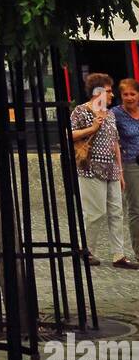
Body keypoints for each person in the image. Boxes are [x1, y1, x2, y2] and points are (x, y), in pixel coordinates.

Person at [71, 73, 137, 269]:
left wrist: (120, 170)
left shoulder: (109, 114)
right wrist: (91, 128)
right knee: (95, 212)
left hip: (111, 169)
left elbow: (115, 142)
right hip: (90, 168)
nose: (112, 95)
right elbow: (70, 133)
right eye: (108, 91)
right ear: (97, 92)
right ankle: (87, 250)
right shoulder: (81, 111)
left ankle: (119, 255)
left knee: (116, 212)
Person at [112, 77, 139, 265]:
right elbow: (112, 140)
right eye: (125, 94)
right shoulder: (116, 114)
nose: (129, 98)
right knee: (136, 208)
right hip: (131, 164)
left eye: (133, 94)